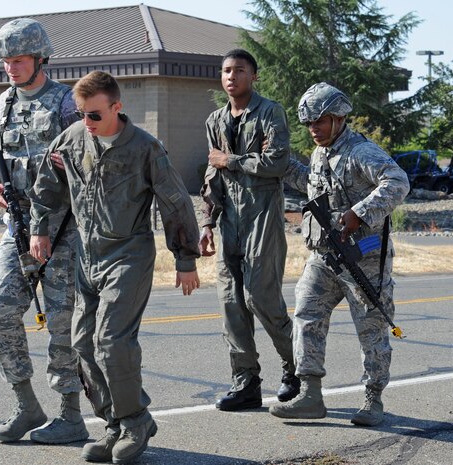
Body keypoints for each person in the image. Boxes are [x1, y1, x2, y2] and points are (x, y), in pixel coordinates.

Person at [29, 70, 201, 464]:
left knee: (112, 340)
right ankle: (116, 424)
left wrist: (185, 258)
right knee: (82, 344)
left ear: (117, 108)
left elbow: (175, 202)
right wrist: (39, 229)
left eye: (93, 115)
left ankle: (135, 421)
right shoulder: (72, 139)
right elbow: (46, 187)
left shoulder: (145, 148)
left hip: (128, 255)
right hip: (86, 258)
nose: (86, 124)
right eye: (80, 115)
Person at [269, 82, 410, 426]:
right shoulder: (322, 152)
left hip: (363, 258)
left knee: (372, 327)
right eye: (309, 124)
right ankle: (311, 394)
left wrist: (359, 212)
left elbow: (397, 181)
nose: (313, 129)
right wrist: (283, 162)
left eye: (320, 121)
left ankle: (373, 399)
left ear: (338, 117)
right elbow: (312, 184)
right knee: (306, 313)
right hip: (325, 256)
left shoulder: (361, 151)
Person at [0, 17, 88, 444]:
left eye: (19, 58)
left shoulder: (66, 103)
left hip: (63, 229)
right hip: (19, 228)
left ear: (41, 57)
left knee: (62, 323)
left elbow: (94, 154)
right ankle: (27, 406)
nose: (11, 67)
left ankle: (71, 415)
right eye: (6, 60)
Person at [199, 48, 300, 412]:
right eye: (226, 70)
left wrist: (232, 160)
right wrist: (207, 222)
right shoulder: (215, 120)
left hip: (262, 219)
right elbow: (212, 173)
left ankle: (297, 370)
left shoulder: (270, 112)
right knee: (231, 303)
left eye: (239, 70)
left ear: (253, 76)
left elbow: (276, 163)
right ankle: (246, 382)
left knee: (261, 297)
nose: (231, 76)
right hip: (228, 223)